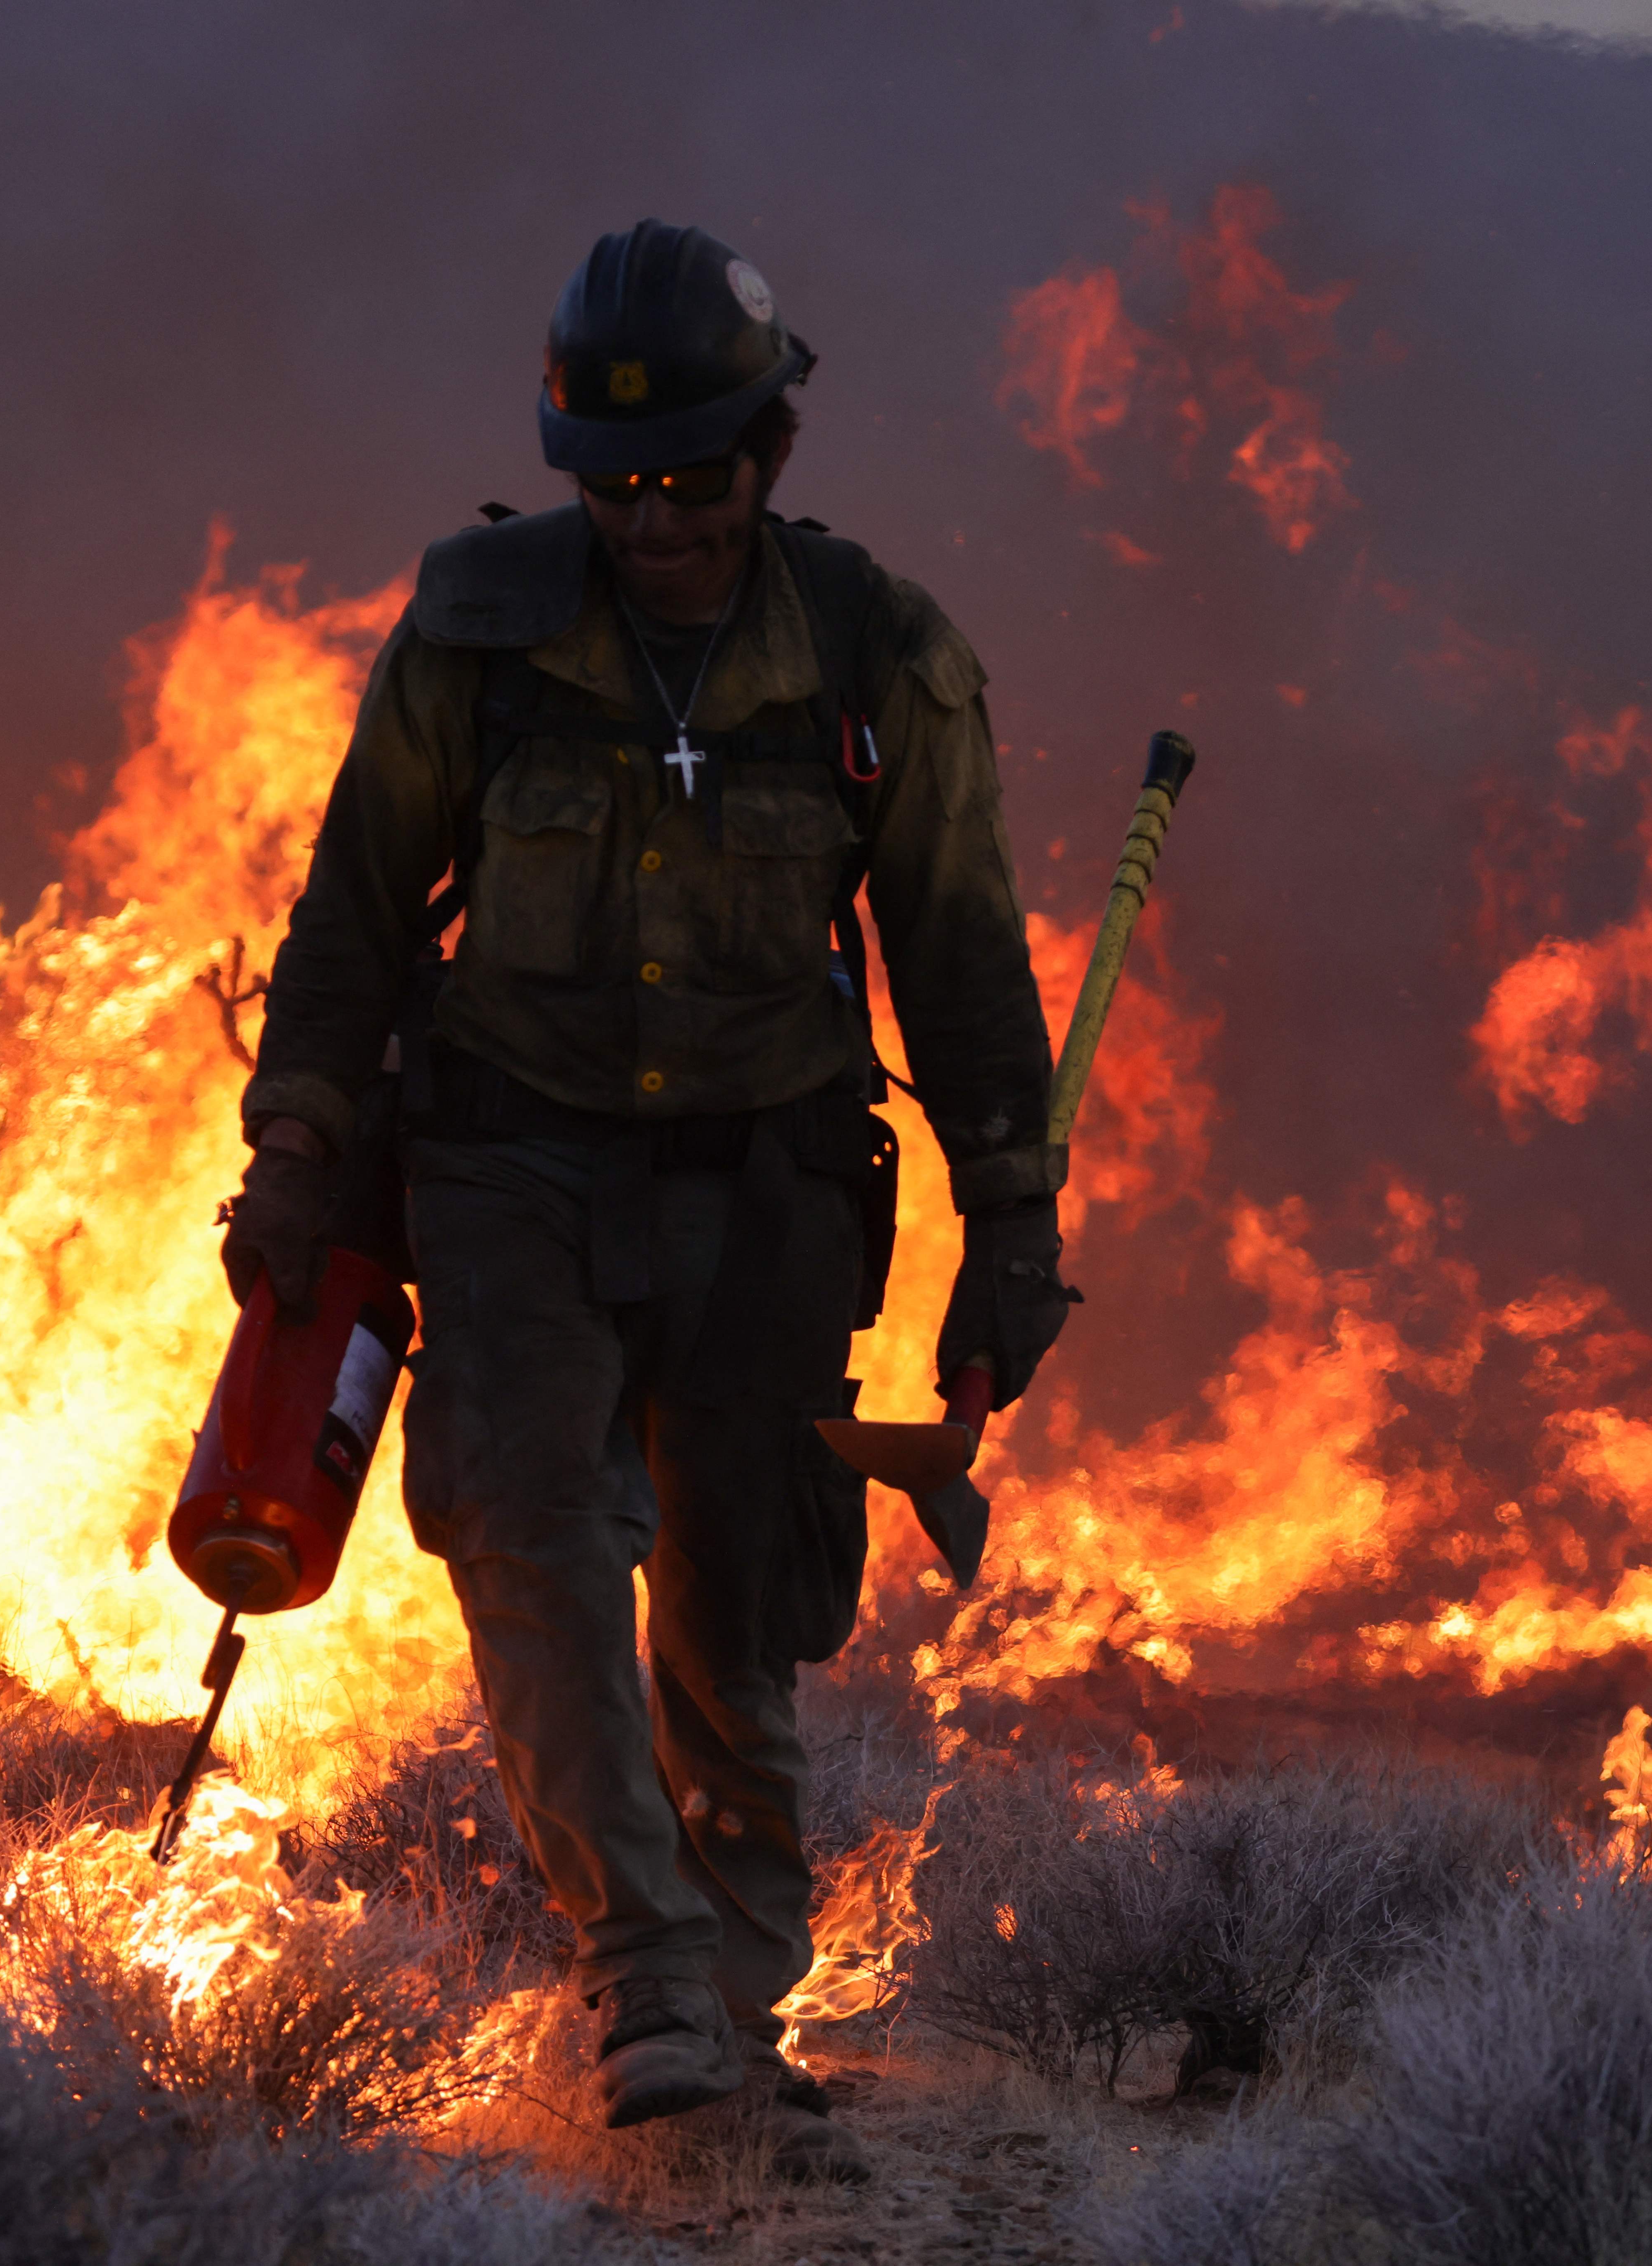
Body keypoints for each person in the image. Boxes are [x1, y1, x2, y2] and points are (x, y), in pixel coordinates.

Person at [221, 219, 1071, 2181]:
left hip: (769, 1183)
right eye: (617, 485)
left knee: (735, 1597)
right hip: (511, 1158)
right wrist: (292, 1149)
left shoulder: (881, 655)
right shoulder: (472, 637)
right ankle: (645, 1971)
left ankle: (738, 1986)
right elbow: (351, 920)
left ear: (770, 450)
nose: (656, 519)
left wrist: (1010, 1227)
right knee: (528, 1534)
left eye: (693, 478)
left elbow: (955, 956)